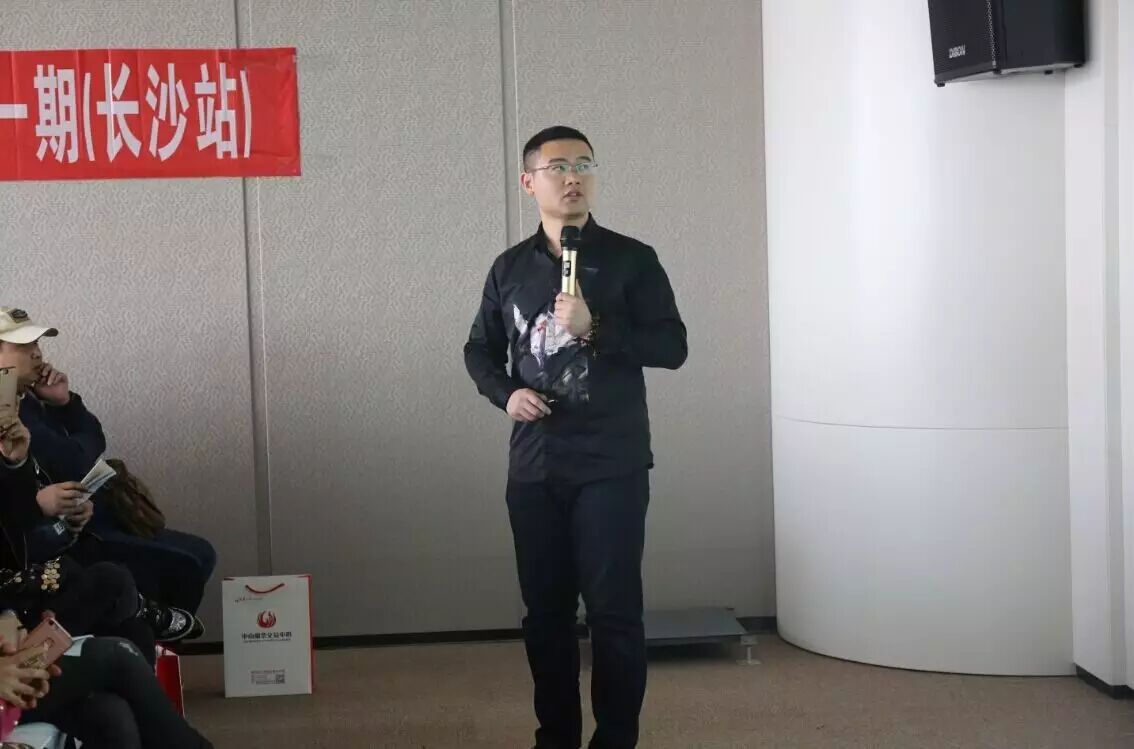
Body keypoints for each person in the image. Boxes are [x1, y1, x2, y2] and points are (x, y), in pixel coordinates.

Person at [464, 126, 688, 749]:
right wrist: (506, 393)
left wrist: (597, 328)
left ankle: (615, 740)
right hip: (535, 466)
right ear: (528, 181)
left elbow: (672, 346)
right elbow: (479, 349)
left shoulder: (632, 259)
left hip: (611, 464)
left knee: (614, 613)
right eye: (558, 166)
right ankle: (556, 736)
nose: (573, 177)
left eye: (585, 165)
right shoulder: (509, 268)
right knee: (546, 616)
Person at [1, 412, 213, 748]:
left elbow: (17, 537)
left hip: (17, 631)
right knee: (116, 650)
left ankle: (142, 612)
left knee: (112, 712)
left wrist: (20, 463)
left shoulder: (28, 419)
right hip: (16, 637)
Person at [0, 307, 217, 618]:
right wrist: (40, 504)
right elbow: (78, 459)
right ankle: (154, 635)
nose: (36, 353)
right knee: (187, 566)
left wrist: (65, 403)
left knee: (200, 554)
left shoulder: (29, 399)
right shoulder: (10, 415)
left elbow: (94, 441)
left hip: (86, 521)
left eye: (36, 343)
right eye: (23, 345)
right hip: (61, 541)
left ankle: (155, 636)